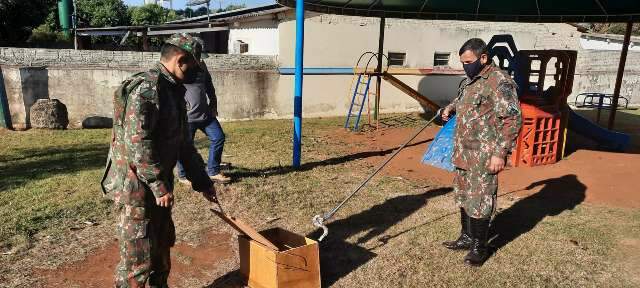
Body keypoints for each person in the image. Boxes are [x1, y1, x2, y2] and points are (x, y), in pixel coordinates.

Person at [101, 33, 218, 287]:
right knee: (138, 263)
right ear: (181, 60)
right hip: (137, 189)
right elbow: (138, 143)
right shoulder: (146, 89)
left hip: (159, 187)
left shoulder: (173, 91)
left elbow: (183, 143)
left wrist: (202, 181)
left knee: (161, 251)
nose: (198, 72)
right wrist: (157, 184)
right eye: (196, 66)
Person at [441, 38, 522, 267]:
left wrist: (500, 153)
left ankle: (480, 246)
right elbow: (463, 100)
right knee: (464, 194)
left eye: (468, 61)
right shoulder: (471, 81)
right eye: (462, 62)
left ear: (483, 58)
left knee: (480, 198)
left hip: (485, 154)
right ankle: (467, 237)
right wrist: (449, 108)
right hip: (464, 152)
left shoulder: (499, 81)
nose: (465, 66)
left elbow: (512, 118)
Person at [175, 53, 231, 184]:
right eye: (197, 58)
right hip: (187, 118)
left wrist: (213, 103)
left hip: (205, 115)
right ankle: (183, 176)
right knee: (184, 146)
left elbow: (209, 85)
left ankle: (213, 171)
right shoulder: (180, 69)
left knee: (218, 137)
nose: (200, 61)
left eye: (201, 58)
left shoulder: (202, 67)